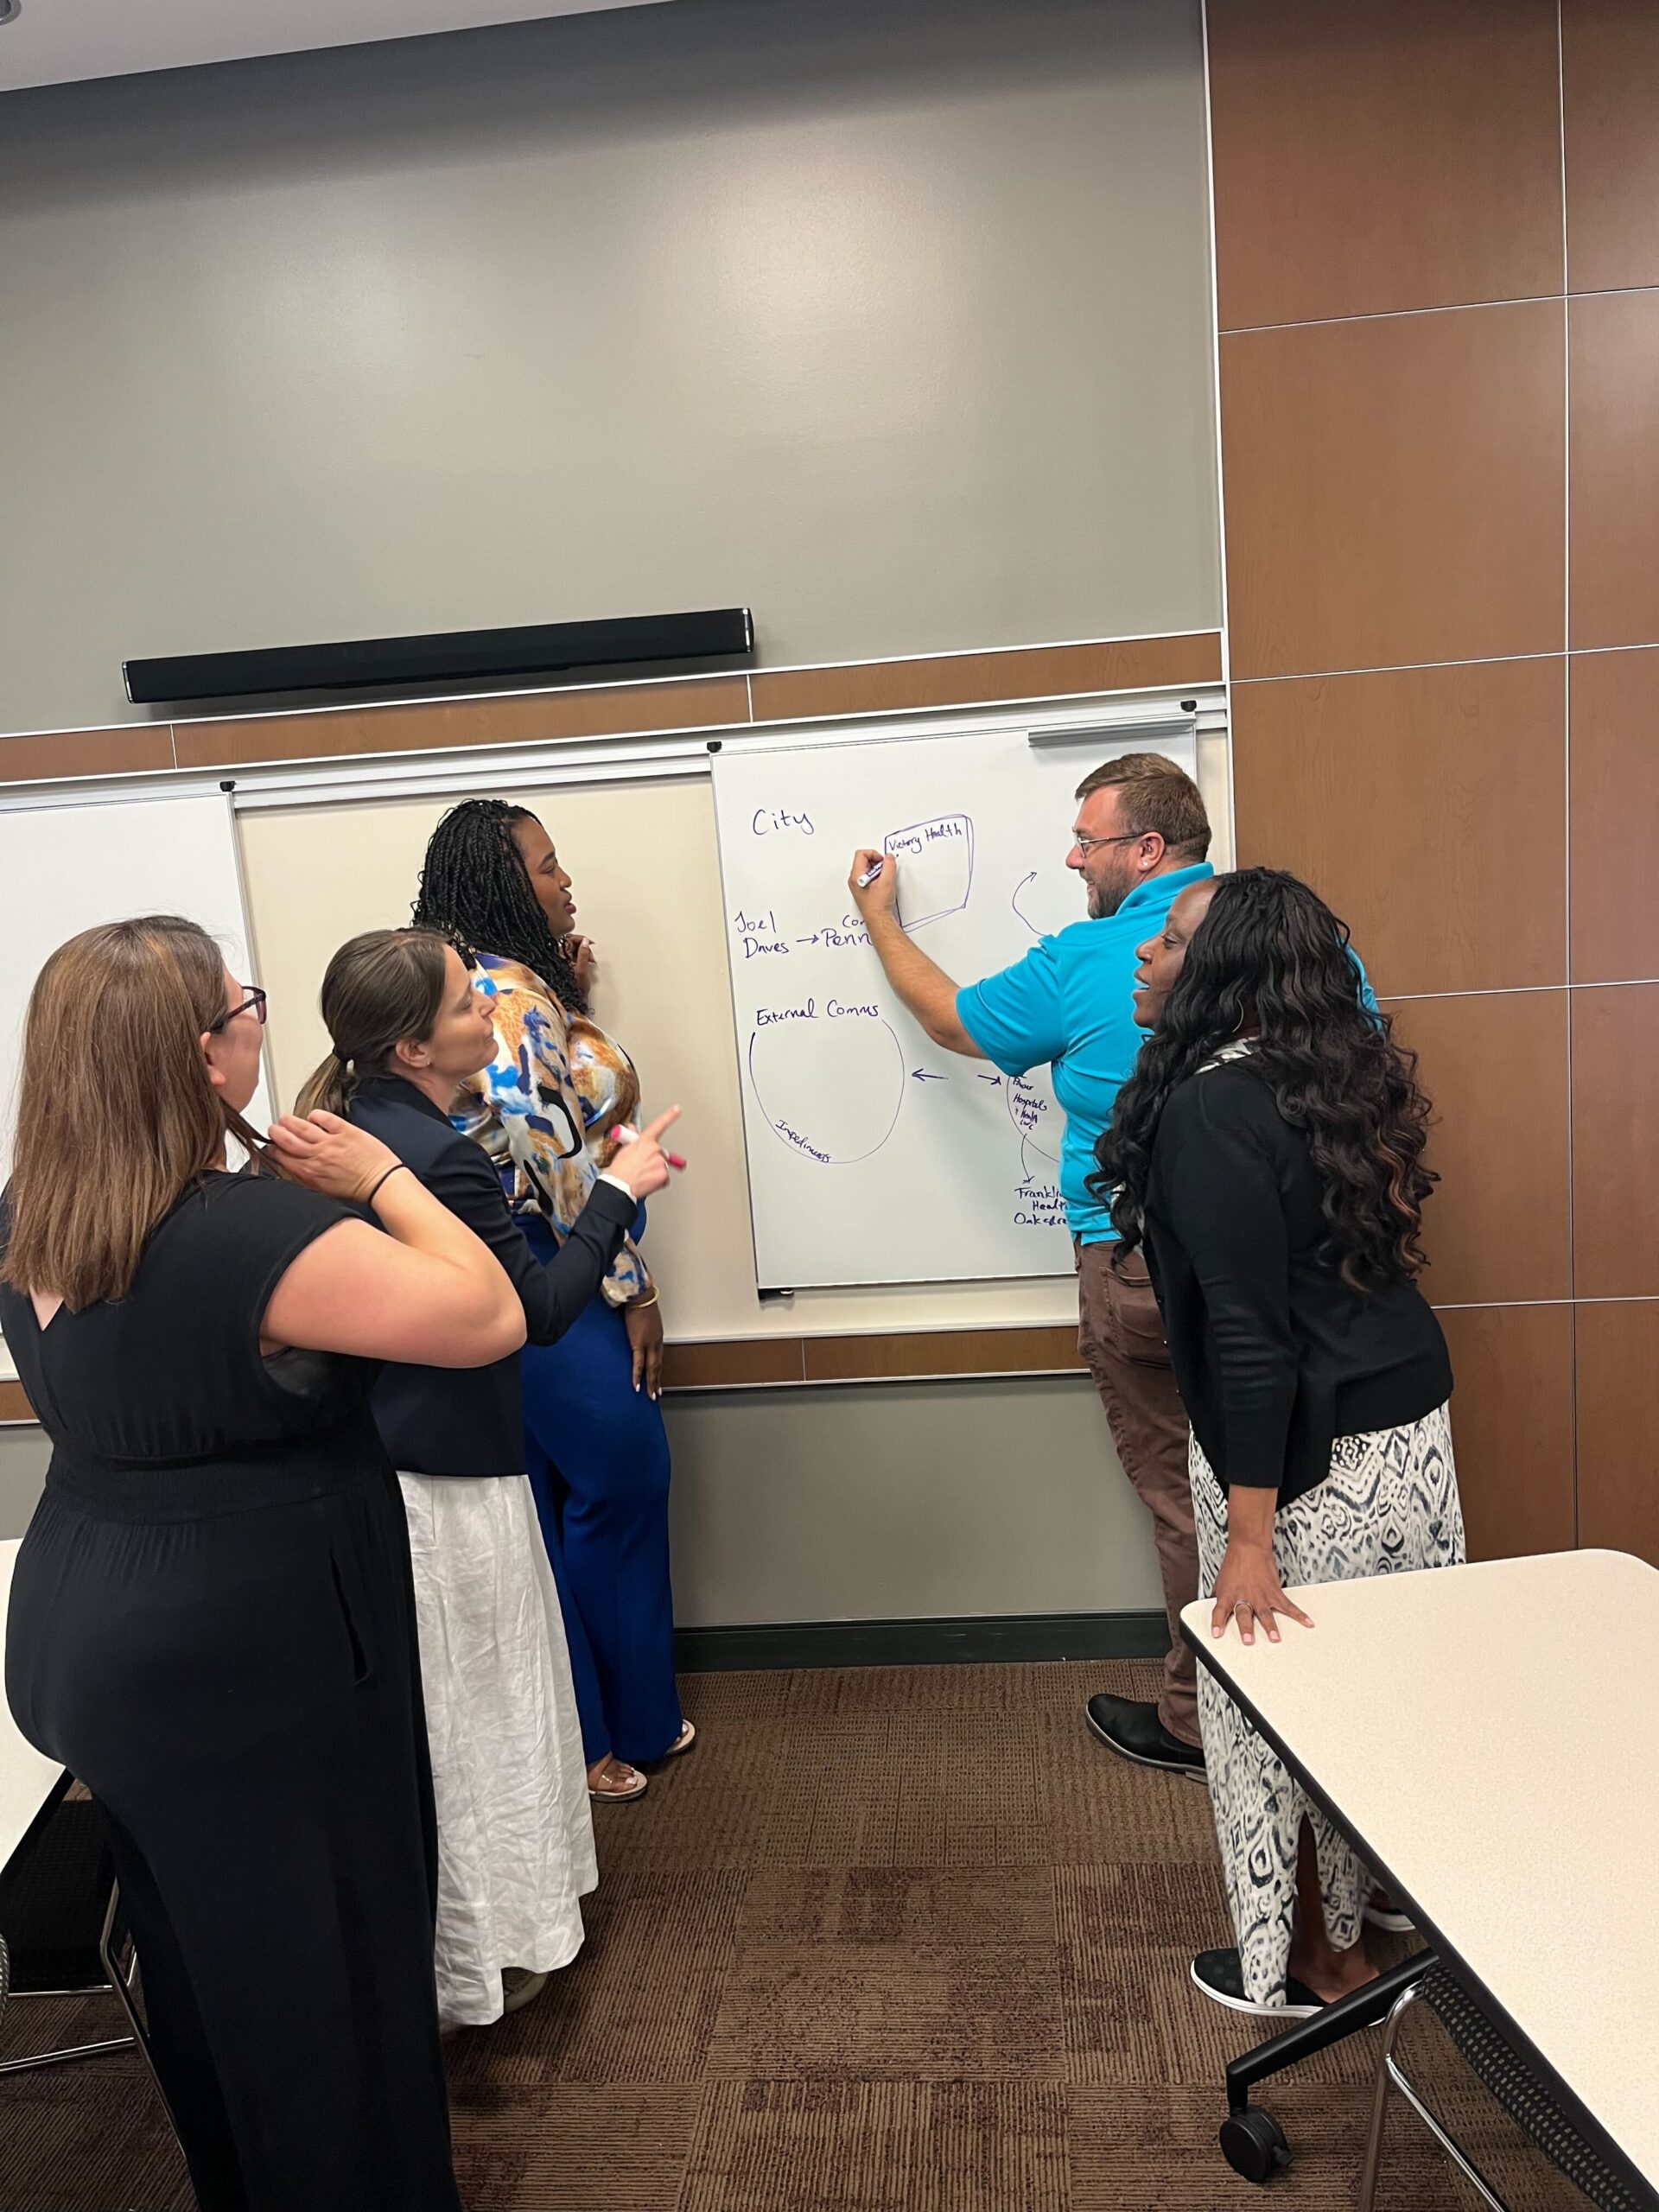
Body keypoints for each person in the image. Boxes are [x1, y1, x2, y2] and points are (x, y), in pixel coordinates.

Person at [0, 916, 527, 2212]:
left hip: (92, 1631)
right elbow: (487, 1314)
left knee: (199, 1953)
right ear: (207, 1056)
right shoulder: (246, 1238)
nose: (258, 1019)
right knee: (326, 1969)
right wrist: (383, 1181)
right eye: (246, 1004)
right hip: (253, 1649)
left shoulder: (32, 1212)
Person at [295, 929, 682, 2026]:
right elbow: (535, 1315)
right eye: (470, 1007)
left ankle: (468, 1945)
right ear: (416, 1044)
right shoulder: (438, 1155)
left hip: (391, 1462)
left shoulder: (359, 1126)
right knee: (484, 1709)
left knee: (448, 1714)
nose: (492, 1020)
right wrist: (616, 1187)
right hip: (452, 1478)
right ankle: (488, 1948)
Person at [1094, 868, 1463, 2018]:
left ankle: (1323, 1965)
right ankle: (1383, 1910)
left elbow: (1251, 1343)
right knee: (1380, 1693)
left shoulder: (1212, 1105)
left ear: (1229, 973)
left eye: (1170, 940)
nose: (1145, 956)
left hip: (1305, 1469)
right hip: (1408, 1437)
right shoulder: (1329, 1072)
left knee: (1287, 1722)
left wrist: (1247, 1538)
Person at [850, 755, 1225, 1774]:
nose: (1071, 856)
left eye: (1087, 840)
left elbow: (952, 1018)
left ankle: (1206, 1725)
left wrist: (879, 916)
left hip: (1139, 1257)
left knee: (1188, 1492)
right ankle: (1302, 1713)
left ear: (1148, 849)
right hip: (1284, 1262)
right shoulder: (1293, 942)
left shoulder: (1092, 955)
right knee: (1272, 1476)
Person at [412, 798, 690, 1803]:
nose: (566, 882)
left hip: (477, 1272)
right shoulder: (507, 994)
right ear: (499, 884)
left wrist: (568, 1002)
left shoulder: (466, 981)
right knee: (623, 1475)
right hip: (545, 1262)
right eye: (545, 867)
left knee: (537, 1503)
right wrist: (630, 1286)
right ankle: (623, 1730)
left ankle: (585, 1735)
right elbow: (551, 1153)